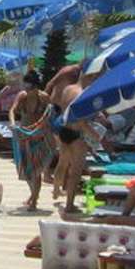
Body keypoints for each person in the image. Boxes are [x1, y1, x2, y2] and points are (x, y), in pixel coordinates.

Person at [49, 71, 105, 217]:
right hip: (76, 135)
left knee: (62, 163)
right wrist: (96, 136)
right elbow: (81, 122)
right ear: (90, 76)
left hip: (63, 130)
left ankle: (56, 190)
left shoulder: (68, 89)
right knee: (75, 172)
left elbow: (60, 107)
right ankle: (69, 205)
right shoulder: (83, 94)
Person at [8, 72, 55, 210]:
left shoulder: (44, 97)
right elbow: (12, 110)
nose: (27, 89)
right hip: (24, 135)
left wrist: (38, 126)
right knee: (27, 170)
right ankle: (33, 195)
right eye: (26, 86)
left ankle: (34, 201)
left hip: (39, 136)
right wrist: (12, 123)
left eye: (30, 87)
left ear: (36, 86)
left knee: (36, 170)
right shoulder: (22, 96)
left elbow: (49, 115)